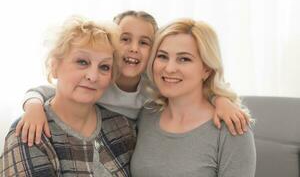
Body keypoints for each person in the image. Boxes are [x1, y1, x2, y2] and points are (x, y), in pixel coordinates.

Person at [16, 11, 249, 148]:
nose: (134, 49)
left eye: (144, 43)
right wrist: (33, 106)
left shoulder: (155, 83)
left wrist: (222, 102)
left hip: (128, 147)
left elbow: (199, 86)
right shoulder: (99, 81)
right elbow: (49, 90)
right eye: (125, 39)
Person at [0, 16, 135, 176]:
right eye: (82, 62)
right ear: (54, 66)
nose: (93, 76)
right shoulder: (29, 133)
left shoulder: (122, 127)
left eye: (104, 67)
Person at [130, 18, 256, 177]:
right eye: (162, 56)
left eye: (184, 59)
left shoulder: (232, 128)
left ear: (207, 69)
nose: (169, 68)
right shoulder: (146, 114)